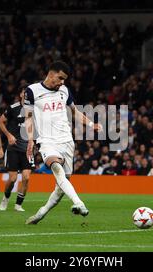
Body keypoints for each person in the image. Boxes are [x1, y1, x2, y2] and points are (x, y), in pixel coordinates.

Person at [24, 61, 102, 224]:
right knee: (57, 169)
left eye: (64, 79)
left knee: (61, 187)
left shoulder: (64, 91)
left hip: (66, 141)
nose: (62, 82)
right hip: (46, 141)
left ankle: (40, 213)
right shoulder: (32, 91)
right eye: (60, 78)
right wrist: (30, 139)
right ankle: (79, 203)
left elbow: (75, 112)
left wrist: (90, 124)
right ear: (51, 74)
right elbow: (28, 117)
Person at [0, 88, 34, 212]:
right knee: (13, 178)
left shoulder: (35, 109)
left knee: (26, 177)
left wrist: (32, 141)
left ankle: (18, 205)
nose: (27, 95)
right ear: (21, 94)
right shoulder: (13, 108)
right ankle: (5, 198)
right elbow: (0, 122)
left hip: (27, 148)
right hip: (13, 148)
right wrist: (8, 135)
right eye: (25, 92)